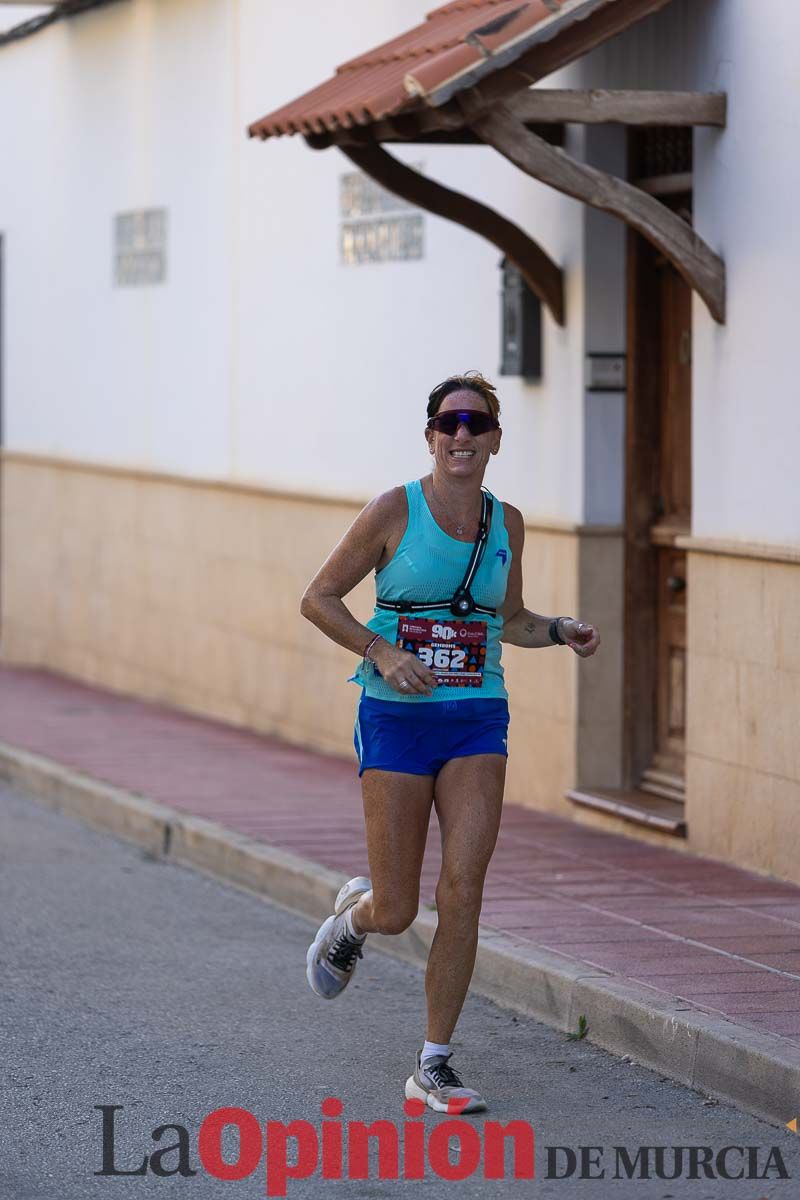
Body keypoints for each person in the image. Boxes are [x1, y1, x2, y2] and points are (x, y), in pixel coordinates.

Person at [299, 371, 600, 1114]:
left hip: (476, 719)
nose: (461, 435)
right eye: (448, 423)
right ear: (431, 435)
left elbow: (513, 619)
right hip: (396, 718)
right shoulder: (393, 510)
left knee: (463, 891)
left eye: (476, 424)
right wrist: (380, 650)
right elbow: (318, 599)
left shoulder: (508, 522)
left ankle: (433, 1063)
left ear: (496, 439)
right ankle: (356, 917)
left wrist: (558, 630)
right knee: (400, 907)